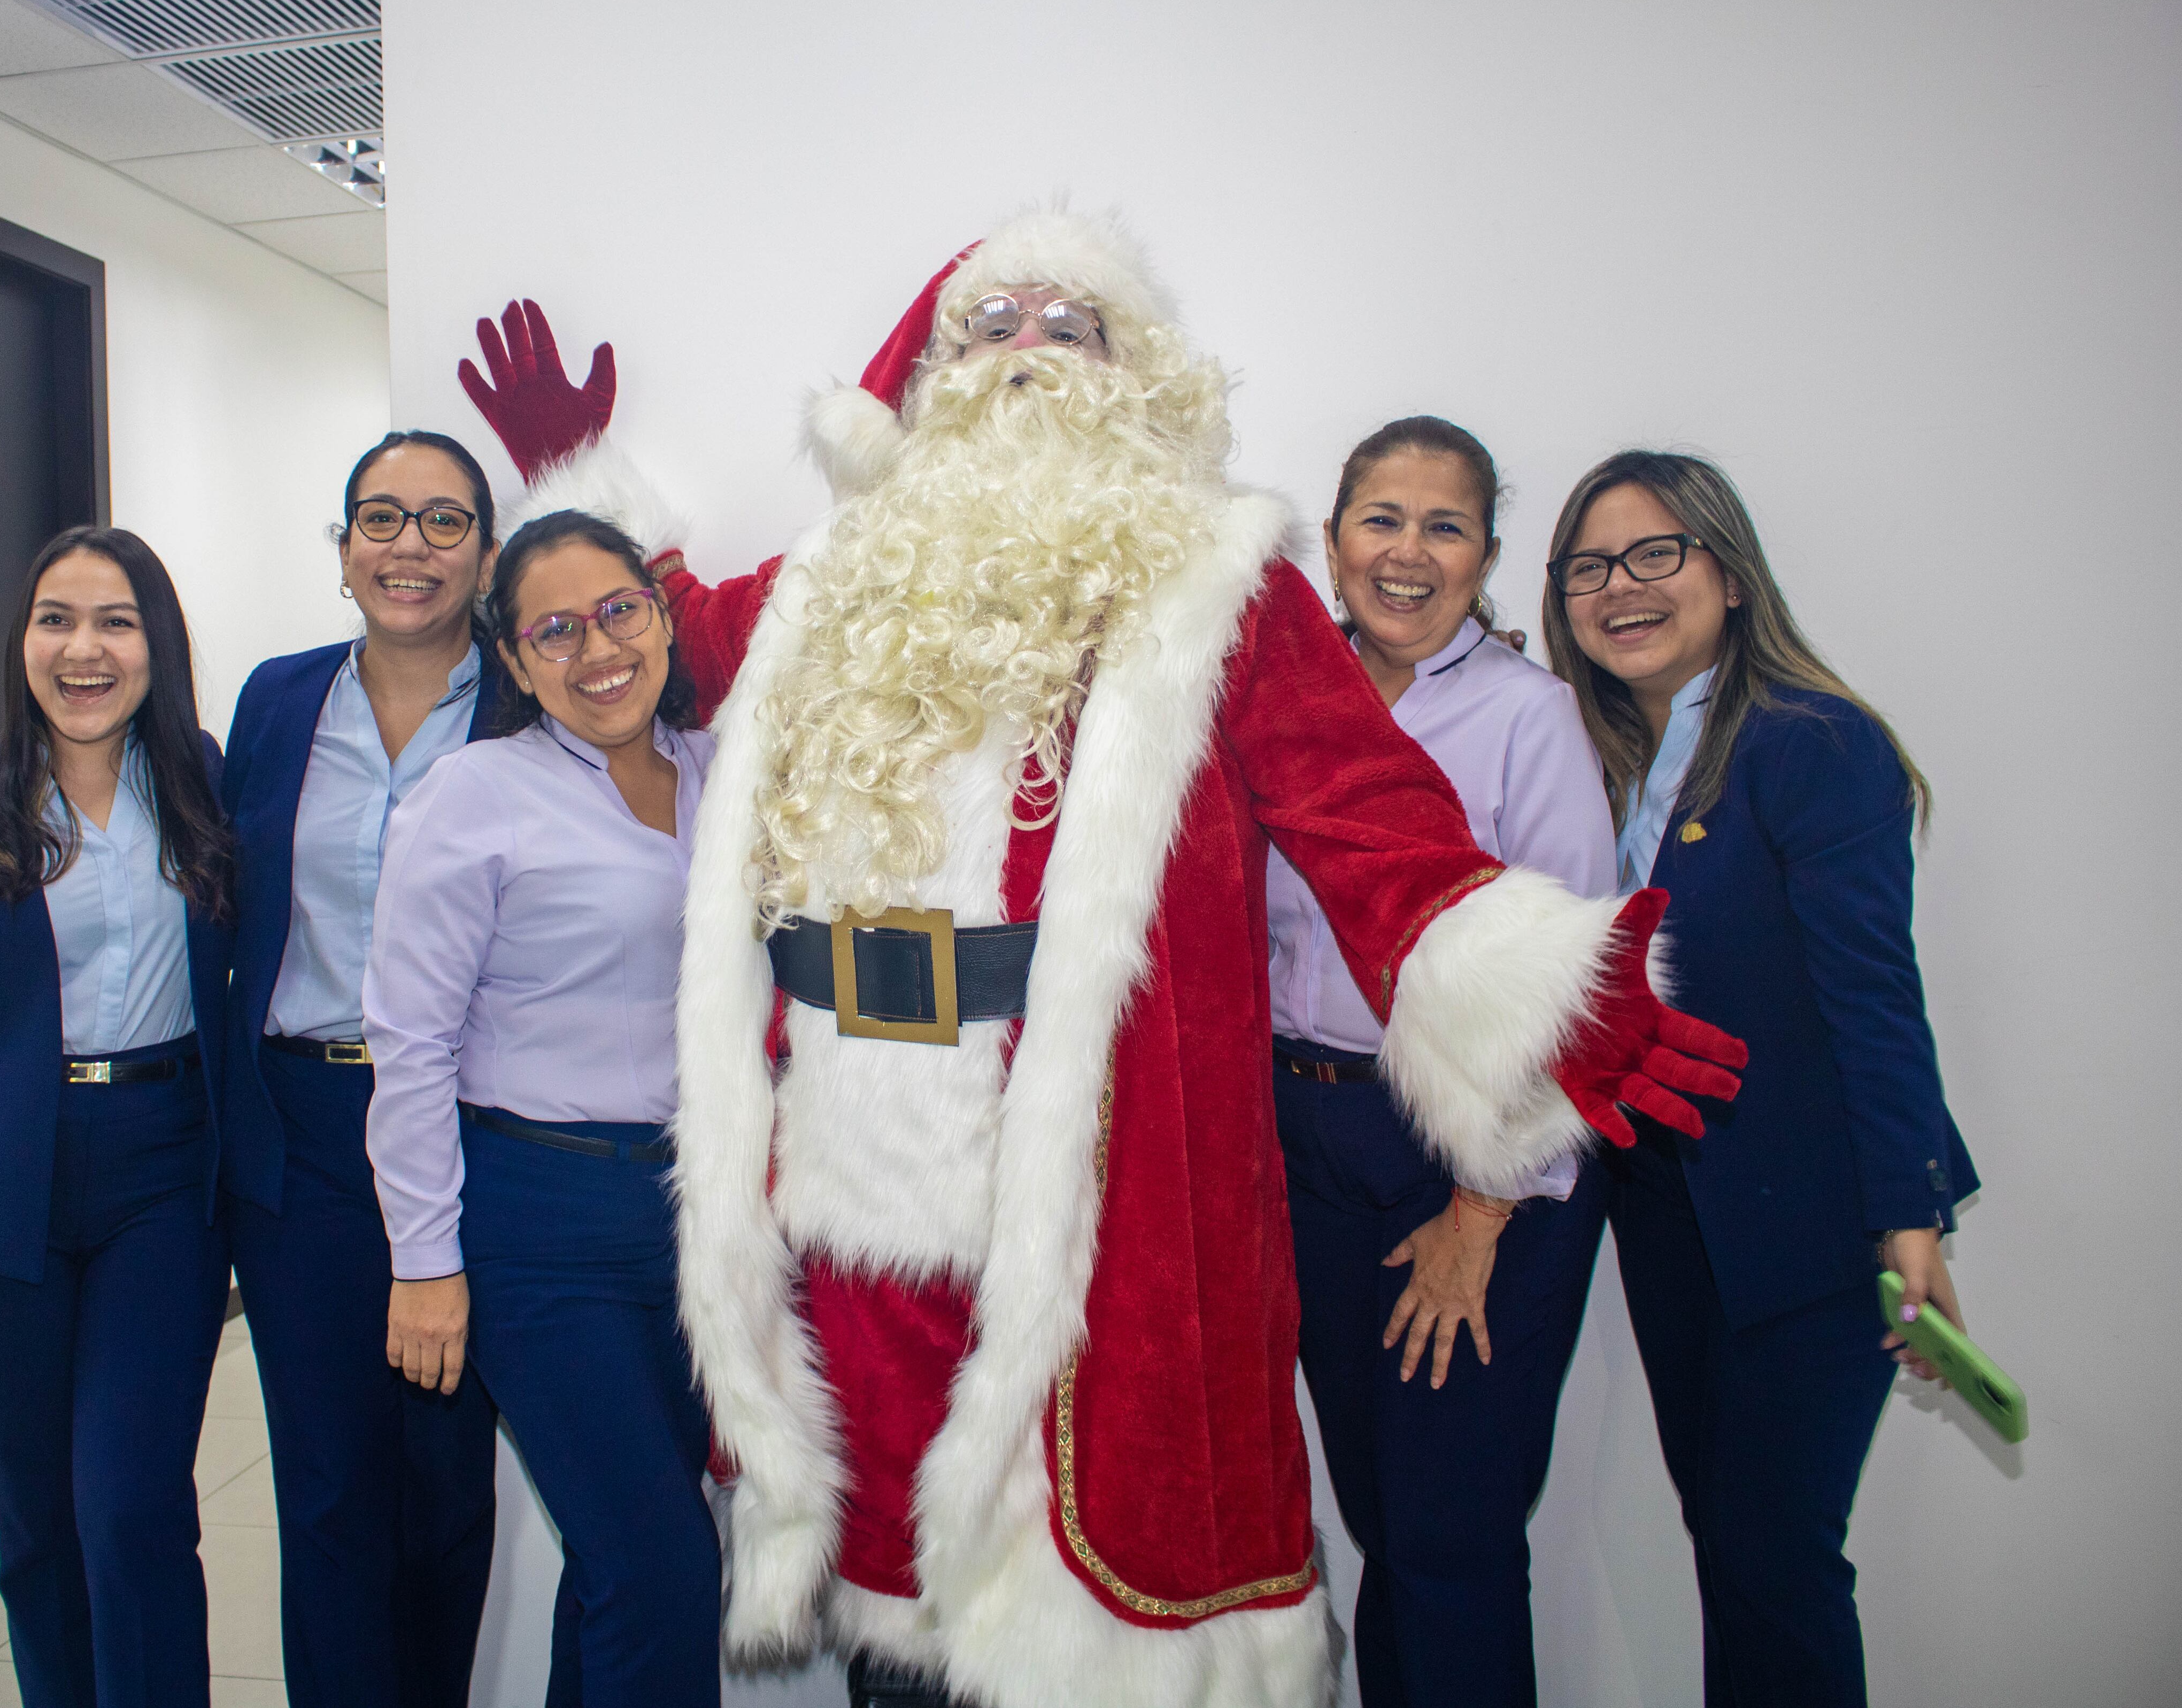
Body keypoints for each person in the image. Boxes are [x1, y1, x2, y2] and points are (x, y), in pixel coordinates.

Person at [456, 207, 1745, 1708]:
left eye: (1069, 326)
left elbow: (1365, 807)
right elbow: (670, 642)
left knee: (1096, 1574)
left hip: (1101, 1171)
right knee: (900, 1585)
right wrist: (574, 481)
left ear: (1135, 373)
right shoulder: (833, 577)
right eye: (992, 325)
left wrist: (1537, 989)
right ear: (928, 378)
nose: (1028, 354)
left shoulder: (1217, 578)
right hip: (853, 1178)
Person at [1539, 450, 1979, 1707]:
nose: (1620, 586)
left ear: (1728, 574)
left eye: (1654, 553)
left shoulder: (1809, 741)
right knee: (1732, 1550)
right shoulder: (1609, 763)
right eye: (1588, 567)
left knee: (1776, 1563)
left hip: (1810, 1218)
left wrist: (1909, 1214)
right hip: (1672, 1209)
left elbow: (1872, 992)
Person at [0, 527, 234, 1708]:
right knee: (38, 1521)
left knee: (132, 1506)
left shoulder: (203, 778)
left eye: (116, 620)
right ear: (23, 642)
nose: (83, 649)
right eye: (55, 619)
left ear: (157, 645)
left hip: (162, 1172)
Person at [1268, 418, 1614, 1707]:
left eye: (1444, 526)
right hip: (1309, 1144)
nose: (1406, 553)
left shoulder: (1528, 716)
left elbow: (1579, 987)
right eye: (1381, 520)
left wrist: (1480, 1208)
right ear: (1332, 541)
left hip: (1471, 1155)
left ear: (1484, 556)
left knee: (1448, 1529)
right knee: (1377, 1513)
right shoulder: (1282, 706)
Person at [365, 512, 721, 1707]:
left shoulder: (723, 772)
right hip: (537, 1220)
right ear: (514, 661)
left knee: (620, 1568)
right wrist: (425, 1261)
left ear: (662, 616)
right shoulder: (474, 794)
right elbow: (410, 1042)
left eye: (620, 611)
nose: (598, 649)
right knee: (664, 1571)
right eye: (555, 630)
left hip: (696, 1220)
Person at [218, 432, 511, 1708]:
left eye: (445, 521)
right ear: (343, 549)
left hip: (471, 1129)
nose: (410, 546)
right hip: (305, 1128)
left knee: (445, 1487)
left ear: (487, 557)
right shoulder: (278, 701)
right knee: (328, 1484)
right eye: (380, 518)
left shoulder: (527, 699)